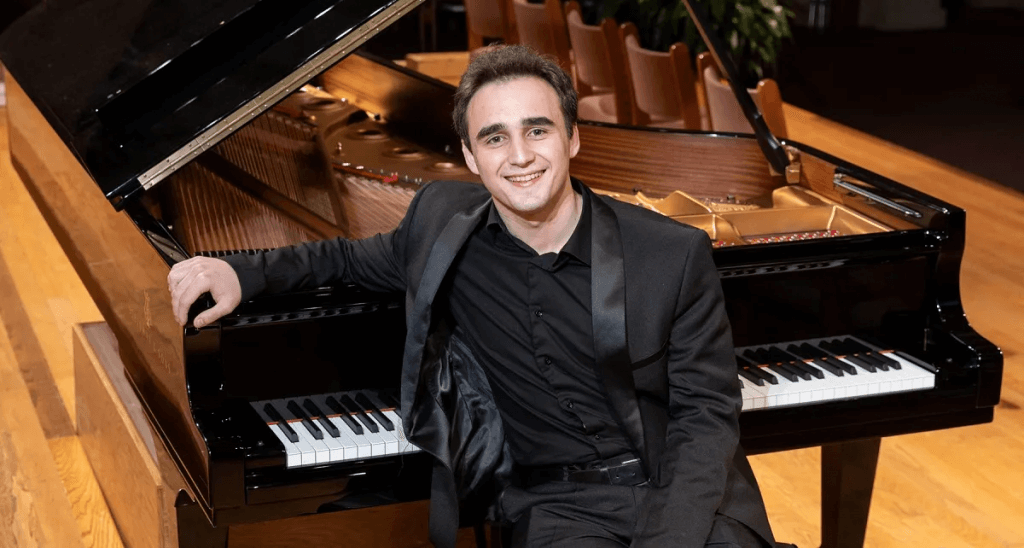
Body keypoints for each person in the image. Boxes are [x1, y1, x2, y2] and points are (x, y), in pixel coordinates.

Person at [167, 45, 780, 548]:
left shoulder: (670, 253)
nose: (520, 156)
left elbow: (705, 418)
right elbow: (346, 259)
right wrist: (242, 273)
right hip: (561, 508)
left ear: (572, 138)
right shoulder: (440, 223)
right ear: (469, 156)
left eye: (537, 130)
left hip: (681, 492)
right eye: (494, 138)